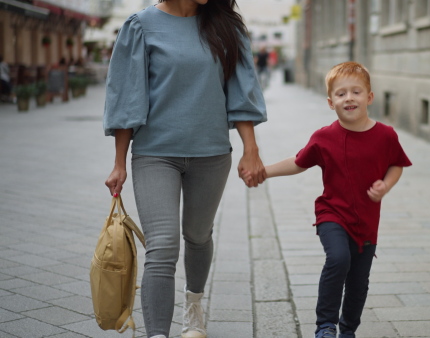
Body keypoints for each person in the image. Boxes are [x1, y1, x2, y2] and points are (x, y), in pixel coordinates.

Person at [103, 1, 267, 338]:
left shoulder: (226, 26)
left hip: (212, 153)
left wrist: (252, 150)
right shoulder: (140, 26)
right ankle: (158, 333)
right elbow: (127, 96)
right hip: (155, 154)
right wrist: (119, 162)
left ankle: (193, 307)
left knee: (197, 235)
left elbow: (241, 91)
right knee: (162, 245)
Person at [244, 61, 411, 338]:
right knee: (338, 259)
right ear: (330, 102)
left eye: (356, 92)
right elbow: (298, 162)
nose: (349, 98)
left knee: (359, 283)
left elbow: (397, 164)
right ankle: (325, 325)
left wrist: (387, 185)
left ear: (369, 97)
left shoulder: (386, 135)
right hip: (332, 214)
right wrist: (263, 172)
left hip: (367, 223)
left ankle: (348, 330)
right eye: (341, 93)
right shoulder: (324, 137)